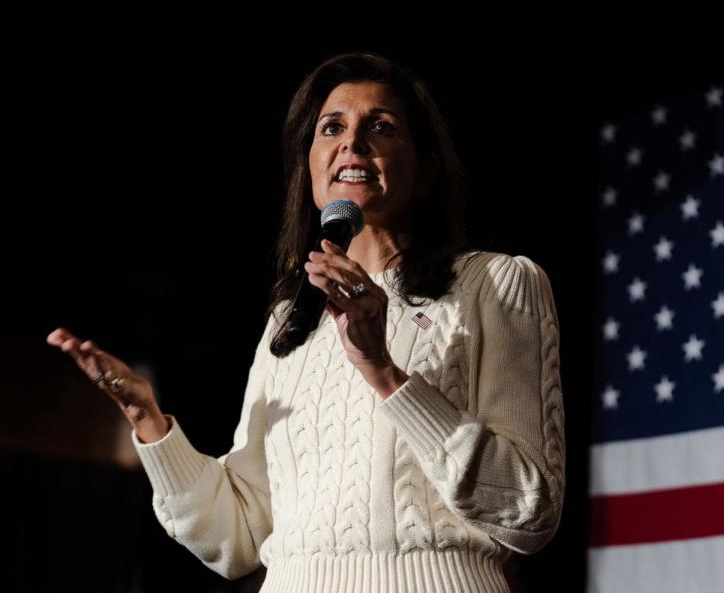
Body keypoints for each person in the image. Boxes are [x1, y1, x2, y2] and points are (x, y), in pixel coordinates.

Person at [46, 51, 565, 593]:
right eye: (332, 127)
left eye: (381, 127)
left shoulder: (498, 283)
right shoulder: (288, 322)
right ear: (311, 165)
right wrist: (150, 421)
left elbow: (529, 508)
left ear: (427, 169)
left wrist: (384, 373)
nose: (352, 143)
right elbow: (239, 536)